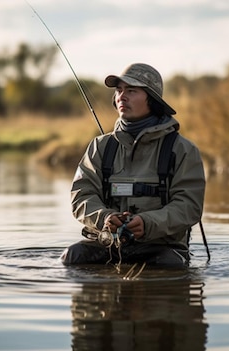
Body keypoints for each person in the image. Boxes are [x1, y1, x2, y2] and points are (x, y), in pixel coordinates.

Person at [60, 63, 206, 267]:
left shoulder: (183, 150)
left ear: (152, 99)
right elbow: (81, 196)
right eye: (119, 90)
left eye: (131, 90)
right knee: (72, 257)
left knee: (171, 265)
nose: (121, 96)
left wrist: (148, 224)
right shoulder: (100, 147)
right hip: (108, 243)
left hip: (161, 248)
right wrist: (105, 218)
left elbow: (189, 206)